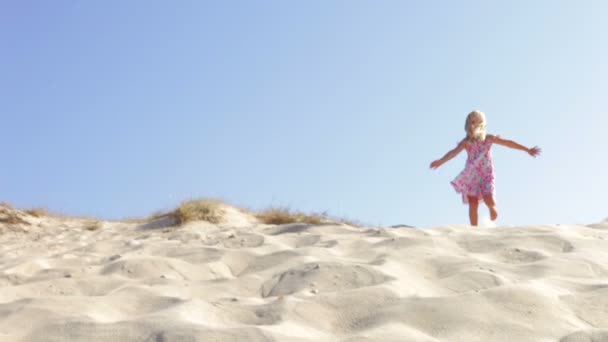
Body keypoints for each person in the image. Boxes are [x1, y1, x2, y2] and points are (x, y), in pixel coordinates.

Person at [430, 110, 541, 226]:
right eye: (470, 122)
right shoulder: (466, 142)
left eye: (475, 122)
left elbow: (508, 143)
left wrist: (526, 149)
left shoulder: (488, 138)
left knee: (488, 197)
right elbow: (453, 153)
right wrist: (441, 161)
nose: (472, 125)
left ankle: (492, 208)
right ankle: (474, 228)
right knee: (473, 202)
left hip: (486, 174)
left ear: (480, 124)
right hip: (471, 175)